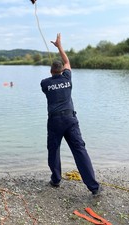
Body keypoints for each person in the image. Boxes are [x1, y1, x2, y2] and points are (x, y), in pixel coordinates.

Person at [40, 33, 101, 195]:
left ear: (50, 71)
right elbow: (67, 61)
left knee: (54, 150)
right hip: (70, 119)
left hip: (55, 121)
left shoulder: (45, 83)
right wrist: (59, 46)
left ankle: (56, 179)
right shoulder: (68, 78)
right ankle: (93, 187)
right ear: (62, 71)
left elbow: (62, 66)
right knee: (80, 150)